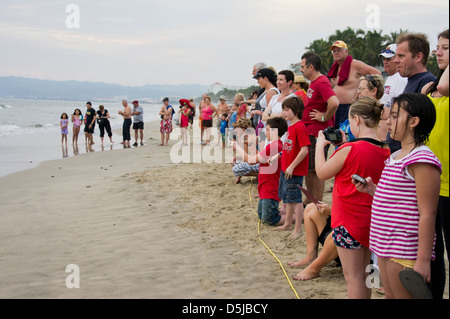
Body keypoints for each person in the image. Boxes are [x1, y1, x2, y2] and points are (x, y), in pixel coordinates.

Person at [354, 93, 441, 299]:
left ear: (413, 122)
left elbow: (428, 214)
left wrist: (423, 260)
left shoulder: (422, 159)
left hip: (404, 250)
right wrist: (372, 190)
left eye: (394, 116)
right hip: (383, 245)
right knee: (390, 296)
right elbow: (396, 201)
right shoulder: (395, 156)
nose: (388, 121)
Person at [316, 96, 390, 299]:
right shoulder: (386, 149)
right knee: (366, 273)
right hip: (373, 221)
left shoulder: (349, 149)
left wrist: (320, 146)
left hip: (348, 221)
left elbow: (322, 172)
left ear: (356, 119)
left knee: (353, 278)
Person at [422, 29, 449, 299]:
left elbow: (445, 87)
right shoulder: (434, 87)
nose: (438, 52)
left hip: (449, 184)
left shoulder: (443, 85)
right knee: (433, 252)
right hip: (433, 181)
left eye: (446, 47)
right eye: (437, 47)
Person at [387, 33, 437, 153]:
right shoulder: (412, 80)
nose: (396, 60)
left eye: (401, 56)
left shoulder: (427, 82)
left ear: (419, 57)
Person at [300, 52, 339, 204]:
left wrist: (324, 117)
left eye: (303, 67)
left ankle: (317, 202)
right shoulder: (314, 82)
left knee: (317, 169)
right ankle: (310, 200)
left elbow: (334, 102)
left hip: (318, 133)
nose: (301, 70)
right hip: (310, 131)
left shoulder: (321, 82)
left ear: (311, 67)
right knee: (309, 169)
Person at [234, 117, 288, 226]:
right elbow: (259, 156)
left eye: (267, 130)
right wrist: (250, 145)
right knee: (261, 215)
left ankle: (298, 217)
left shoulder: (275, 146)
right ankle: (289, 213)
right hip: (265, 186)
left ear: (275, 131)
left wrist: (237, 148)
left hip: (270, 187)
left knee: (269, 219)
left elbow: (251, 160)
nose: (265, 132)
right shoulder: (275, 145)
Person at [275, 96, 310, 239]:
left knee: (296, 199)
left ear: (295, 111)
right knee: (287, 198)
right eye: (283, 110)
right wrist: (280, 155)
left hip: (293, 171)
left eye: (286, 110)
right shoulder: (291, 126)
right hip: (286, 168)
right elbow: (290, 147)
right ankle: (287, 223)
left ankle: (297, 230)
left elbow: (304, 150)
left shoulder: (300, 127)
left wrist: (291, 167)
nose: (283, 112)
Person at [327, 40, 382, 129]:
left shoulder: (355, 64)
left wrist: (364, 89)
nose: (336, 53)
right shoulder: (335, 68)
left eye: (339, 50)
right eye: (334, 51)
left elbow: (377, 74)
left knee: (348, 135)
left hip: (349, 107)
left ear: (346, 51)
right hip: (336, 109)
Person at [288, 202, 341, 281]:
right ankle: (310, 257)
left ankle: (314, 269)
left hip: (350, 244)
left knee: (341, 231)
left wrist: (332, 211)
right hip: (338, 232)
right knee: (311, 207)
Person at [251, 68, 280, 148]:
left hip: (265, 128)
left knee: (264, 154)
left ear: (265, 78)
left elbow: (268, 114)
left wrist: (257, 112)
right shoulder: (266, 91)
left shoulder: (271, 92)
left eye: (259, 79)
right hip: (263, 126)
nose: (257, 81)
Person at [355, 74, 386, 141]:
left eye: (362, 89)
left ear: (374, 91)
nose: (358, 92)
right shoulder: (364, 110)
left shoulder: (382, 113)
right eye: (358, 89)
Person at [379, 44, 408, 109]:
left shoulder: (401, 79)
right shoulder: (390, 78)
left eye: (388, 59)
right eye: (384, 59)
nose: (385, 62)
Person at [232, 117, 259, 184]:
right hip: (259, 160)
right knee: (236, 162)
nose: (235, 130)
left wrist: (238, 176)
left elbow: (246, 156)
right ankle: (259, 175)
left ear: (243, 129)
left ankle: (260, 175)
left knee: (236, 168)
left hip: (259, 162)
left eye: (237, 128)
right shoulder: (251, 133)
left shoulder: (246, 137)